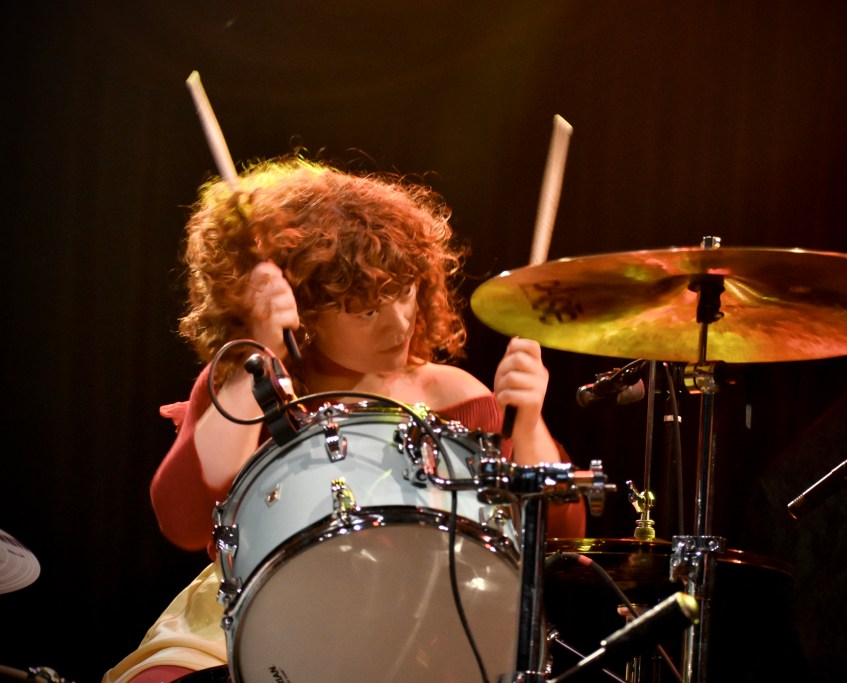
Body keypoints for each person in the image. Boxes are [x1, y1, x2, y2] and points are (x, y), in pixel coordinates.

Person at [102, 155, 587, 683]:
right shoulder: (250, 385)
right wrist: (259, 356)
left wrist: (531, 420)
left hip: (416, 628)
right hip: (244, 622)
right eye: (365, 310)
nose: (400, 322)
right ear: (303, 310)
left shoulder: (452, 396)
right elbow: (184, 521)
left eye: (404, 291)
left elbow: (556, 539)